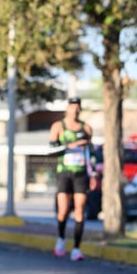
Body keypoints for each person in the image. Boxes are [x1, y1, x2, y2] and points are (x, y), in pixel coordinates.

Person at [48, 97, 96, 261]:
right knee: (63, 210)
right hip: (64, 172)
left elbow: (92, 154)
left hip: (81, 173)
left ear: (80, 109)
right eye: (71, 107)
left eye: (77, 108)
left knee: (80, 209)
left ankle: (76, 248)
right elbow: (51, 149)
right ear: (67, 108)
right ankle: (61, 239)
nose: (74, 110)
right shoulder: (58, 126)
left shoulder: (86, 128)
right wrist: (71, 146)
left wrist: (94, 174)